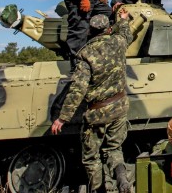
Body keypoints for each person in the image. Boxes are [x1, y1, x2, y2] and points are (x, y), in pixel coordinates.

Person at [51, 11, 133, 193]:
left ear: (90, 31)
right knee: (114, 148)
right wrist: (124, 20)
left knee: (91, 158)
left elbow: (78, 88)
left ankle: (98, 189)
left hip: (97, 113)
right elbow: (126, 34)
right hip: (119, 106)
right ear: (108, 29)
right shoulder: (118, 42)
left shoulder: (85, 54)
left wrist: (63, 118)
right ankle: (122, 178)